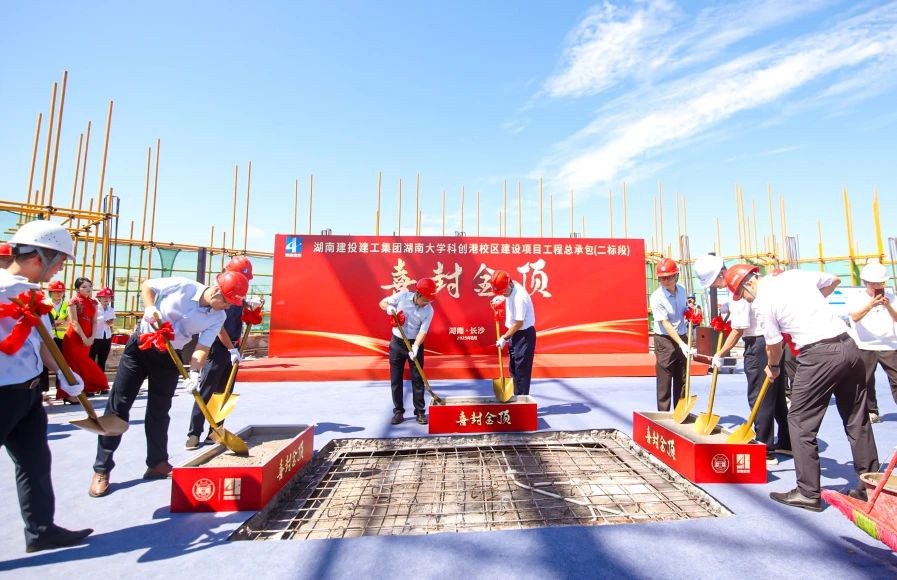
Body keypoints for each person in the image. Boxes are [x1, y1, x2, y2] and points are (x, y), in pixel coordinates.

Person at [726, 264, 879, 511]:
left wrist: (773, 367)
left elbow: (773, 345)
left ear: (749, 283)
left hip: (818, 354)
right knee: (856, 419)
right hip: (849, 347)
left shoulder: (762, 302)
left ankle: (808, 492)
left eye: (741, 294)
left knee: (799, 421)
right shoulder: (794, 276)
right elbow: (833, 280)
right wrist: (808, 307)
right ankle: (870, 488)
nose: (745, 299)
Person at [88, 271, 247, 498]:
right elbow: (148, 286)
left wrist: (194, 373)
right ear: (216, 291)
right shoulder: (183, 286)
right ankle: (102, 469)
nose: (228, 307)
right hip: (141, 347)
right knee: (118, 406)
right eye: (227, 302)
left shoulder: (217, 317)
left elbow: (202, 347)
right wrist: (150, 307)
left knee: (160, 411)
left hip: (171, 357)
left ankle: (157, 463)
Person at [1, 220, 92, 552]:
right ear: (41, 256)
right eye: (61, 260)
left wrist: (66, 375)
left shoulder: (31, 295)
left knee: (35, 464)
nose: (60, 269)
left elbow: (42, 344)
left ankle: (41, 531)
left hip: (27, 393)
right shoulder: (4, 289)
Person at [712, 264, 790, 466]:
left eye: (714, 282)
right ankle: (787, 441)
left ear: (722, 275)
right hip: (775, 342)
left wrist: (720, 354)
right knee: (776, 395)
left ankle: (764, 448)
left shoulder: (739, 290)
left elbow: (738, 329)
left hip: (758, 344)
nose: (715, 286)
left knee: (759, 397)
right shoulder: (762, 286)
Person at [185, 256, 257, 449]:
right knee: (207, 389)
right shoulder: (220, 293)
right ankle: (194, 433)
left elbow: (240, 311)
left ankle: (216, 430)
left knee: (225, 391)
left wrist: (250, 307)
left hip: (234, 347)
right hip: (217, 346)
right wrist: (230, 348)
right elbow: (218, 327)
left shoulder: (238, 296)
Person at [380, 277, 436, 425]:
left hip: (414, 344)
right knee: (396, 379)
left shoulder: (429, 310)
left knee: (417, 379)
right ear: (418, 294)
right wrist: (389, 308)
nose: (427, 303)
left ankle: (420, 412)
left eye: (429, 300)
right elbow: (382, 303)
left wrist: (416, 346)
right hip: (397, 343)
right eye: (425, 300)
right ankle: (398, 411)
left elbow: (423, 331)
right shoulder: (402, 297)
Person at [847, 260, 897, 424]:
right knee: (866, 380)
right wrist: (870, 305)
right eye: (873, 283)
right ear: (866, 282)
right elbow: (855, 317)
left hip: (889, 344)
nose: (877, 286)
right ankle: (871, 410)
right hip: (865, 345)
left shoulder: (892, 297)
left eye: (880, 283)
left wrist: (888, 306)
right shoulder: (857, 298)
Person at [649, 258, 695, 411]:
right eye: (662, 278)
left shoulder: (682, 290)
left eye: (669, 277)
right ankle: (663, 415)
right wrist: (681, 344)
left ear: (676, 275)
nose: (665, 281)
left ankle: (680, 413)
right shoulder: (656, 297)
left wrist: (690, 312)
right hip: (665, 340)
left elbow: (684, 310)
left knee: (682, 377)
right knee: (665, 379)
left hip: (682, 335)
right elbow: (665, 323)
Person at [59, 277, 108, 401]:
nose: (88, 289)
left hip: (88, 339)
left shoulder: (94, 302)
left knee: (82, 366)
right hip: (74, 339)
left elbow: (94, 321)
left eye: (90, 286)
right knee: (73, 366)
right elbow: (74, 322)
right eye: (84, 287)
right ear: (77, 289)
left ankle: (80, 392)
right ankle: (70, 394)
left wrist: (91, 337)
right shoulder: (73, 301)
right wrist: (84, 338)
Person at [491, 270, 537, 397]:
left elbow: (519, 323)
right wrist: (500, 297)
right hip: (514, 333)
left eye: (503, 292)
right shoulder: (511, 285)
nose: (503, 295)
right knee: (513, 369)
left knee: (521, 372)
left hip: (523, 335)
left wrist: (504, 338)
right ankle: (516, 398)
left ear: (508, 285)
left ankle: (522, 401)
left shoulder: (520, 298)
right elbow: (509, 285)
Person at [90, 287, 115, 374]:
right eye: (104, 297)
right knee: (91, 359)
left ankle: (100, 379)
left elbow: (112, 321)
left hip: (107, 337)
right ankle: (90, 378)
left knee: (102, 360)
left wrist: (110, 322)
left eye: (108, 297)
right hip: (95, 337)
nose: (106, 299)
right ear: (99, 298)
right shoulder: (94, 308)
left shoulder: (111, 309)